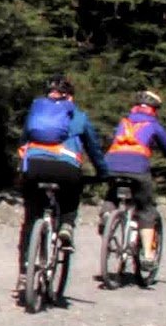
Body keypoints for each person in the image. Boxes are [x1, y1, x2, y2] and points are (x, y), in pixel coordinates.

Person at [14, 75, 101, 300]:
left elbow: (23, 142)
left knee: (31, 216)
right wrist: (104, 173)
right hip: (66, 169)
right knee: (71, 195)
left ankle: (25, 271)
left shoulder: (36, 113)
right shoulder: (79, 116)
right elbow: (93, 149)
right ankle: (66, 227)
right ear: (70, 96)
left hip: (33, 166)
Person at [100, 90, 166, 263]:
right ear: (154, 109)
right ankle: (148, 256)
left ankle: (107, 213)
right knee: (146, 209)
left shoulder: (123, 122)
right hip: (137, 168)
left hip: (112, 164)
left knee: (112, 193)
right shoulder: (154, 125)